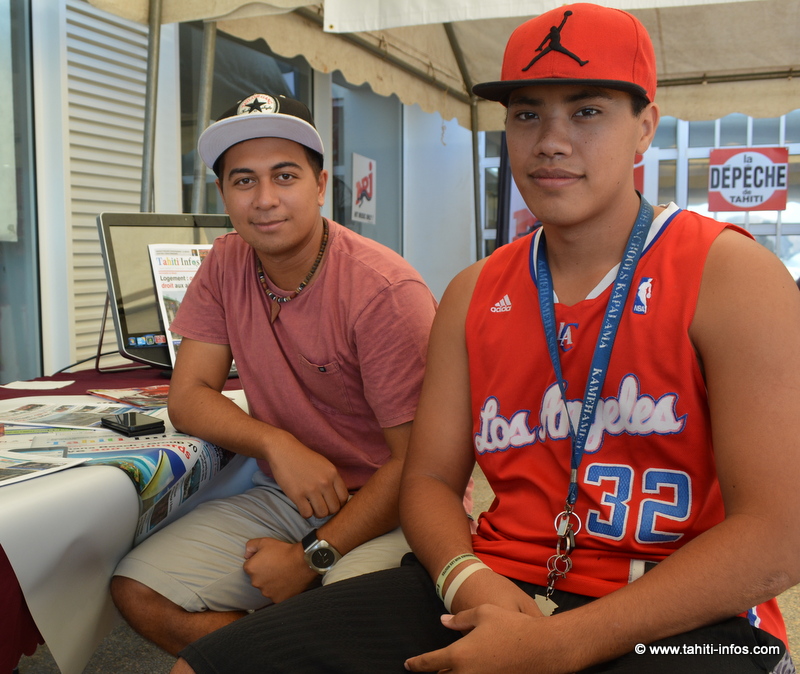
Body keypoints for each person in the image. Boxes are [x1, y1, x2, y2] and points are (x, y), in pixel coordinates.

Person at [170, 4, 800, 673]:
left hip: (683, 612)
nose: (550, 140)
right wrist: (466, 576)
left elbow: (778, 535)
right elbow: (432, 480)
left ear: (645, 127)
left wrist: (555, 647)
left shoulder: (730, 273)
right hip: (497, 580)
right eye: (527, 114)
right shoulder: (474, 292)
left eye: (587, 111)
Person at [110, 92, 439, 655]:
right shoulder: (226, 262)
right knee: (138, 591)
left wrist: (314, 555)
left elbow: (422, 464)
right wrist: (276, 443)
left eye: (284, 176)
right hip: (290, 492)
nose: (264, 200)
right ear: (223, 194)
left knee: (337, 629)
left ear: (318, 186)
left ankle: (283, 648)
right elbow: (187, 396)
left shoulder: (384, 291)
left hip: (396, 503)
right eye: (243, 181)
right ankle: (265, 654)